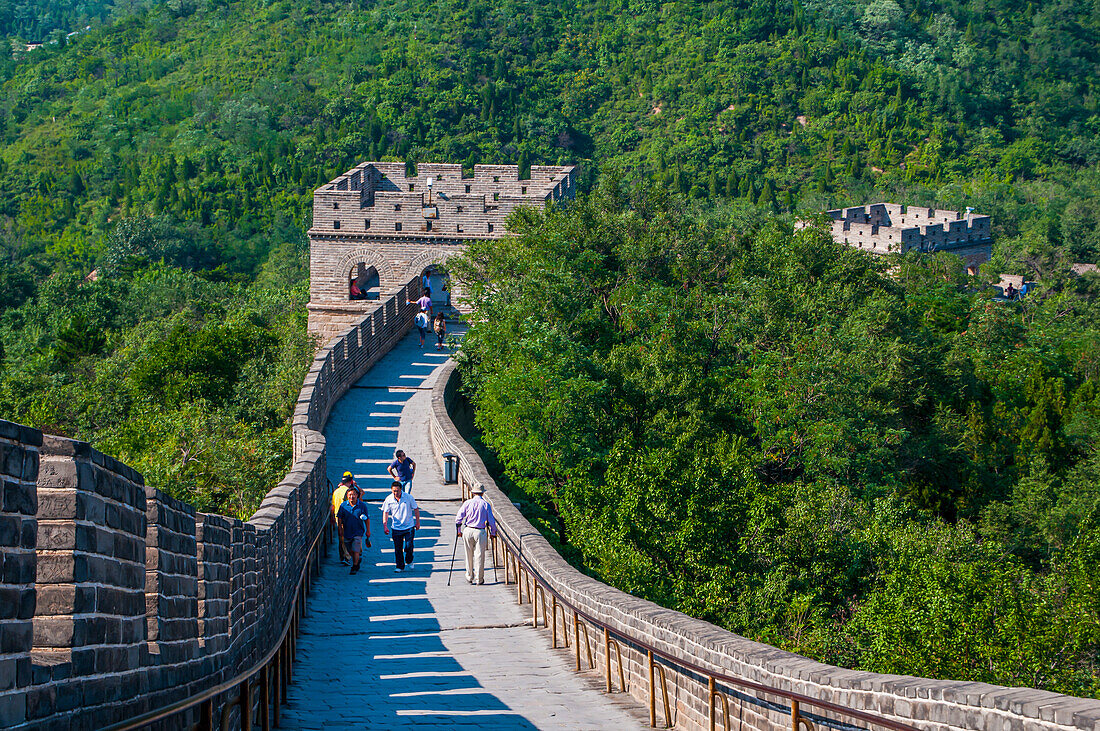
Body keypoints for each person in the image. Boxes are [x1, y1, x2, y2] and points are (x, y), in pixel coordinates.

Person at [454, 483, 497, 585]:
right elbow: (491, 521)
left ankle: (469, 576)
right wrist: (493, 533)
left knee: (468, 554)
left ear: (473, 492)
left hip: (468, 530)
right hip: (480, 531)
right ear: (482, 493)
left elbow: (458, 518)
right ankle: (479, 578)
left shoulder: (467, 503)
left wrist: (459, 531)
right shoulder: (486, 505)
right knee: (479, 555)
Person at [381, 480, 420, 572]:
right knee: (398, 548)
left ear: (401, 490)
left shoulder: (408, 497)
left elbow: (416, 509)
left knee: (408, 546)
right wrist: (385, 525)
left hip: (409, 526)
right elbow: (385, 512)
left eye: (397, 491)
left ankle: (409, 560)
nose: (396, 493)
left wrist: (417, 522)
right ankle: (399, 566)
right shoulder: (389, 499)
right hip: (396, 527)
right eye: (394, 491)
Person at [337, 485, 370, 574]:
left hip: (358, 531)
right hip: (347, 531)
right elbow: (339, 518)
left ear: (357, 495)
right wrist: (339, 528)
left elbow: (367, 519)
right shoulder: (343, 506)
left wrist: (368, 531)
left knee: (356, 549)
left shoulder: (362, 506)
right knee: (349, 549)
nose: (352, 496)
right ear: (347, 496)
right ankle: (357, 560)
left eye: (354, 495)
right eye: (350, 495)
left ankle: (354, 566)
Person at [332, 472, 361, 565]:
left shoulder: (336, 491)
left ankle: (344, 557)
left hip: (337, 517)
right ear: (350, 481)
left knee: (341, 537)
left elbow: (332, 506)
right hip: (347, 517)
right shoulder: (348, 492)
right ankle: (349, 556)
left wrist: (332, 518)